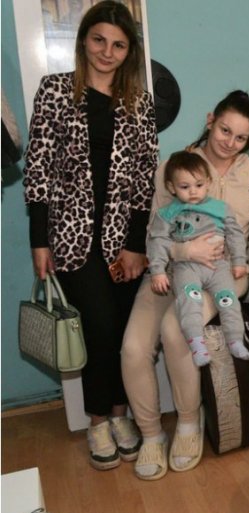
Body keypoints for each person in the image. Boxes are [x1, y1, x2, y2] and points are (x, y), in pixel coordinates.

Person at [23, 0, 157, 471]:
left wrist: (136, 245)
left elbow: (144, 179)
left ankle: (120, 414)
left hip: (123, 243)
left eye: (118, 45)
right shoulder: (56, 91)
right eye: (99, 40)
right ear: (83, 41)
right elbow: (38, 170)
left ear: (128, 52)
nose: (107, 52)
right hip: (71, 239)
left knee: (119, 332)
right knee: (98, 327)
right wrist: (39, 240)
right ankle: (98, 419)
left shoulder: (139, 104)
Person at [121, 90, 249, 480]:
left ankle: (188, 423)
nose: (230, 142)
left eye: (241, 137)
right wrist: (183, 250)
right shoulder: (173, 168)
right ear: (210, 121)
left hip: (223, 276)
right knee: (133, 348)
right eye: (225, 130)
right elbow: (154, 232)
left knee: (176, 330)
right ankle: (151, 434)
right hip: (169, 271)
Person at [146, 151, 249, 366]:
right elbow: (157, 241)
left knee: (228, 300)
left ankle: (235, 341)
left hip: (218, 265)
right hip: (186, 267)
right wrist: (157, 271)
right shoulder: (167, 213)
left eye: (199, 185)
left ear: (208, 183)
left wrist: (239, 262)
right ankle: (197, 344)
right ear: (171, 187)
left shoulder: (220, 208)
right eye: (185, 187)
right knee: (189, 301)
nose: (193, 192)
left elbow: (235, 235)